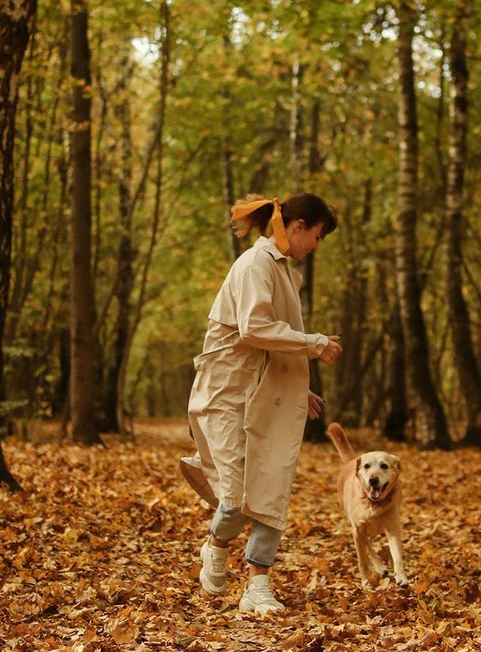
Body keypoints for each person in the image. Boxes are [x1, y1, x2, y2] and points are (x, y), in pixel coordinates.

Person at [180, 193, 342, 614]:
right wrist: (314, 343)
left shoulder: (285, 272)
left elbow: (269, 341)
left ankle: (258, 584)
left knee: (272, 482)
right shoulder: (255, 265)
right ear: (298, 226)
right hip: (224, 393)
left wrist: (295, 388)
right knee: (233, 499)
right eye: (318, 236)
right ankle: (215, 546)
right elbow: (254, 329)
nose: (317, 246)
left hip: (264, 388)